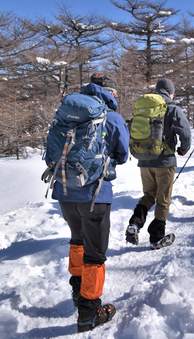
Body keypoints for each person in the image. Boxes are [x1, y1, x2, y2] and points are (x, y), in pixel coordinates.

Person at [54, 76, 129, 332]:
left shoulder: (68, 111)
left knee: (77, 241)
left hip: (65, 192)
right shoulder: (111, 117)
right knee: (95, 255)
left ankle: (77, 293)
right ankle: (89, 313)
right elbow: (123, 154)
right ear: (110, 92)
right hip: (95, 195)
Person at [125, 78, 191, 249]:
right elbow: (185, 131)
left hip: (144, 160)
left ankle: (135, 223)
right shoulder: (173, 109)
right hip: (165, 161)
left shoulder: (144, 108)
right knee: (163, 200)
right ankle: (156, 238)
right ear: (170, 92)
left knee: (148, 196)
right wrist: (184, 149)